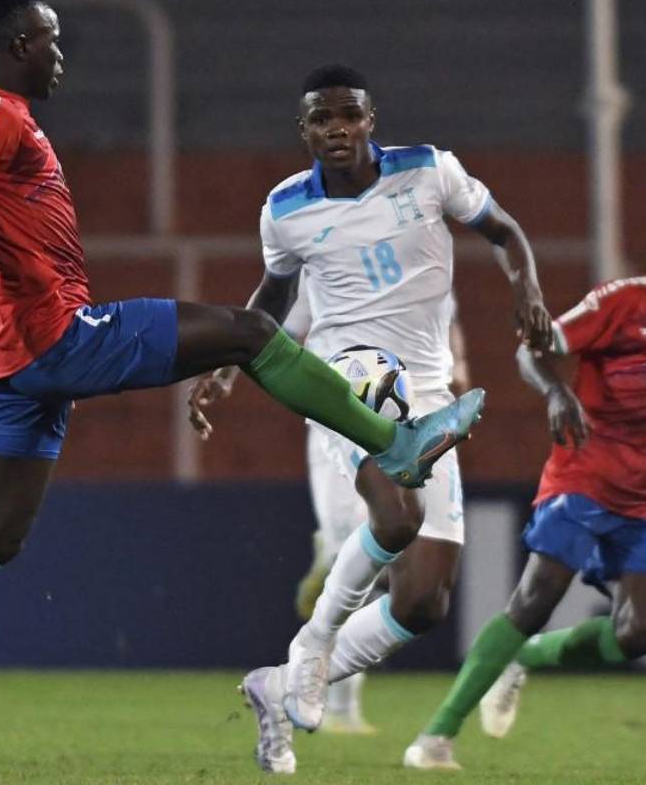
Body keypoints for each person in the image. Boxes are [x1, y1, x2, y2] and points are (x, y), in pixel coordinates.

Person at [0, 0, 482, 751]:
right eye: (49, 40)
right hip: (57, 337)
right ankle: (395, 441)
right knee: (250, 331)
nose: (59, 54)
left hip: (13, 356)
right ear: (17, 43)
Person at [187, 63, 552, 774]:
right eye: (321, 118)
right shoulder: (286, 209)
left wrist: (527, 288)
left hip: (429, 390)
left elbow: (504, 230)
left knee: (424, 600)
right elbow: (273, 292)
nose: (336, 128)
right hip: (343, 379)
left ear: (370, 118)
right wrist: (228, 363)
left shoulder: (428, 172)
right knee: (395, 515)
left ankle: (277, 682)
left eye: (348, 114)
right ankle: (315, 645)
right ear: (304, 131)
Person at [403, 179, 646, 770]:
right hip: (583, 475)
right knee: (535, 596)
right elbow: (532, 349)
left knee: (641, 634)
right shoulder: (626, 300)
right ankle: (435, 737)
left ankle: (527, 659)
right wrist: (558, 392)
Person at [286, 285, 472, 734]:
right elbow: (290, 333)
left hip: (403, 422)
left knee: (384, 558)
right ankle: (328, 558)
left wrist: (459, 366)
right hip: (337, 422)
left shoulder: (421, 255)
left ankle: (342, 708)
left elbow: (447, 320)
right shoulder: (326, 257)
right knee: (353, 553)